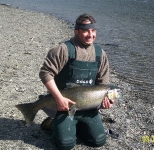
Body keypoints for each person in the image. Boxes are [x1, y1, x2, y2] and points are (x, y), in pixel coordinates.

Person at [39, 13, 114, 150]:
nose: (90, 35)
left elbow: (103, 85)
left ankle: (74, 126)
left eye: (93, 31)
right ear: (76, 31)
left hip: (88, 107)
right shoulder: (63, 49)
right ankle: (52, 123)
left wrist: (105, 103)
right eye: (85, 31)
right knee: (65, 144)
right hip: (64, 107)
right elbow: (45, 73)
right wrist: (59, 98)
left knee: (98, 141)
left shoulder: (100, 54)